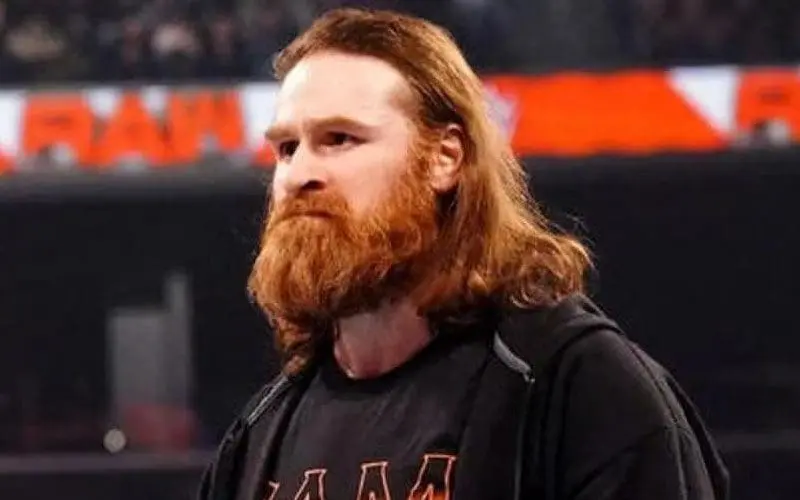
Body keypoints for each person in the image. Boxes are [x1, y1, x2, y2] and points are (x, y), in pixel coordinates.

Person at [198, 8, 729, 500]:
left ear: (444, 158)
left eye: (339, 139)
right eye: (286, 148)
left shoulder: (577, 386)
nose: (298, 174)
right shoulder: (261, 434)